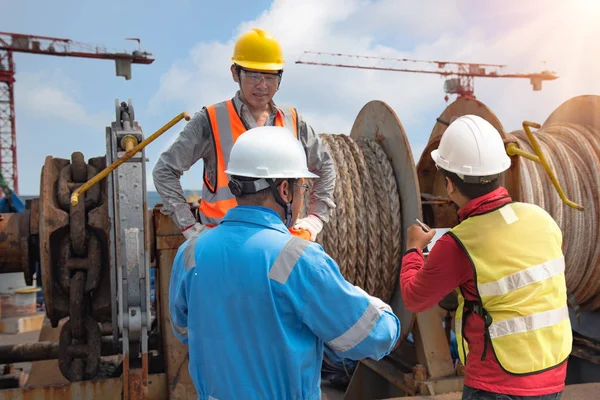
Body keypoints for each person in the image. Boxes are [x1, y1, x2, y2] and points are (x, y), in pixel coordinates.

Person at [169, 126, 400, 400]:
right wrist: (379, 308)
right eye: (302, 187)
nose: (302, 196)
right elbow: (373, 337)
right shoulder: (301, 260)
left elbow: (185, 330)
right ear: (284, 191)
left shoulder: (191, 252)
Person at [399, 115, 572, 400]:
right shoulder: (543, 219)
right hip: (552, 373)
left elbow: (414, 298)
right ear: (501, 171)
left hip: (498, 384)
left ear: (449, 185)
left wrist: (413, 248)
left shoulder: (459, 244)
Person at [153, 27, 335, 242]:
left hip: (282, 244)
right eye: (253, 75)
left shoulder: (293, 120)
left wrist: (315, 218)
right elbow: (165, 171)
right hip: (224, 245)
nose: (262, 85)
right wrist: (190, 228)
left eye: (270, 76)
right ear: (234, 73)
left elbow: (325, 166)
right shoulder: (210, 120)